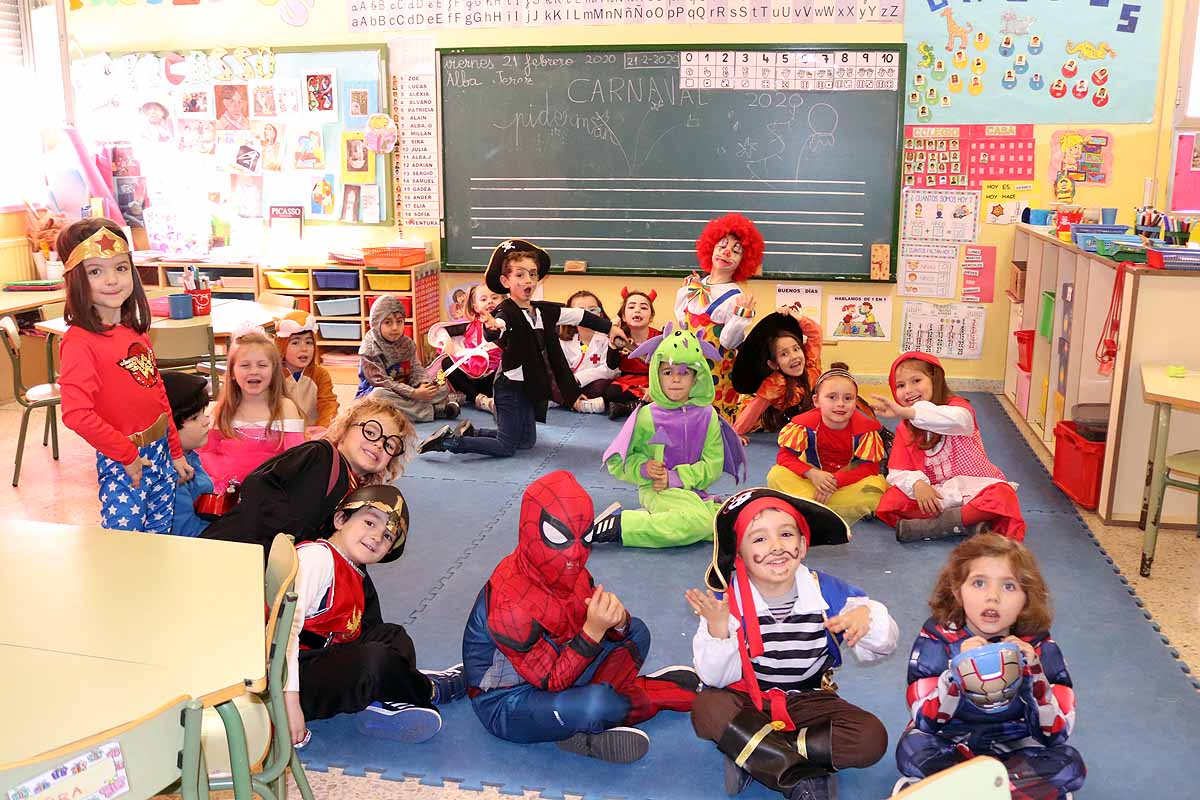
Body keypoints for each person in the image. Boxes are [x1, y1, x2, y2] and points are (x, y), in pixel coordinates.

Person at [462, 471, 700, 763]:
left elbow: (585, 631)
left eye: (584, 536)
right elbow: (551, 681)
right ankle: (637, 697)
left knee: (635, 631)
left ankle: (583, 722)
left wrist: (615, 620)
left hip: (563, 665)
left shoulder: (573, 573)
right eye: (559, 536)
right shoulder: (510, 602)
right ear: (532, 531)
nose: (576, 552)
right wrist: (591, 631)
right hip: (508, 703)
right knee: (598, 706)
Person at [687, 488, 897, 800]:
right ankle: (803, 777)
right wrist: (719, 629)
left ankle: (756, 754)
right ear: (739, 554)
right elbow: (715, 678)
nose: (775, 547)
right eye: (758, 539)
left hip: (808, 700)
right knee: (707, 708)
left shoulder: (826, 592)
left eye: (786, 534)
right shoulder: (727, 604)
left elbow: (884, 643)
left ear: (802, 544)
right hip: (749, 700)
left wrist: (868, 619)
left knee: (871, 738)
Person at [894, 534, 1085, 799]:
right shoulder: (937, 637)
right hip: (952, 743)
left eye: (1009, 586)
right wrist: (956, 673)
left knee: (1069, 763)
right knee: (912, 748)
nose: (992, 597)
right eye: (979, 583)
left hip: (1015, 746)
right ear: (957, 591)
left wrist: (1034, 672)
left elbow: (1057, 734)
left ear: (1026, 598)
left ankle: (960, 792)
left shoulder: (1040, 645)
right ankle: (1004, 792)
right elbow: (925, 721)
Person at [284, 485, 467, 746]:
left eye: (388, 536)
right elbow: (283, 631)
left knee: (392, 636)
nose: (376, 536)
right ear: (341, 519)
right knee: (375, 660)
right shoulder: (317, 558)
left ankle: (385, 702)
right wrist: (289, 703)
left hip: (316, 660)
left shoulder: (353, 572)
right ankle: (430, 690)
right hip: (283, 679)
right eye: (369, 522)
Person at [419, 239, 627, 457]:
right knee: (506, 447)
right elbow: (499, 327)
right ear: (505, 281)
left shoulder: (544, 311)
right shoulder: (505, 312)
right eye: (520, 275)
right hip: (508, 388)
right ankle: (450, 442)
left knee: (526, 442)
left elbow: (580, 315)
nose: (528, 281)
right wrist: (492, 328)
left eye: (533, 274)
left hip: (529, 388)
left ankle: (472, 432)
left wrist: (610, 328)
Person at [56, 219, 192, 533]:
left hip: (159, 450)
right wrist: (127, 455)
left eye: (120, 268)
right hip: (122, 459)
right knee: (125, 539)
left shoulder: (135, 333)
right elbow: (76, 414)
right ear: (76, 279)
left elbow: (158, 396)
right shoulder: (79, 343)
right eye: (95, 271)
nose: (112, 280)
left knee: (161, 532)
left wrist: (174, 451)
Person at [202, 396, 414, 557]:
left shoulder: (357, 491)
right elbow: (258, 484)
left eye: (389, 444)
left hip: (271, 563)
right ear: (345, 429)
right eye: (370, 432)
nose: (378, 444)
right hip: (235, 549)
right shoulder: (319, 455)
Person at [596, 326, 746, 549]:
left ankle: (653, 519)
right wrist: (644, 469)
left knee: (726, 526)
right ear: (656, 375)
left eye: (684, 372)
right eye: (668, 372)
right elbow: (619, 463)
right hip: (656, 489)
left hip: (695, 491)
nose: (676, 379)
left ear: (697, 377)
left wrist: (676, 477)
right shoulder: (646, 417)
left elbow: (713, 466)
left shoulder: (708, 416)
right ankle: (622, 525)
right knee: (704, 525)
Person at [870, 352, 1025, 543]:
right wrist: (917, 485)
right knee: (891, 501)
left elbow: (958, 420)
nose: (908, 390)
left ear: (935, 379)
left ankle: (936, 526)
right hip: (936, 495)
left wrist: (908, 412)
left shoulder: (958, 408)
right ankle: (968, 523)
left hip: (973, 490)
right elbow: (897, 470)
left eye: (916, 380)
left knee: (1002, 496)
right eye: (900, 386)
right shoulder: (906, 427)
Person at [766, 364, 889, 527]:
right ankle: (825, 506)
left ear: (856, 401)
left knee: (874, 490)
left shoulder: (865, 430)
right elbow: (784, 457)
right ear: (816, 400)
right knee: (776, 475)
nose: (840, 404)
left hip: (846, 482)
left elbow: (870, 468)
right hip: (813, 477)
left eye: (848, 398)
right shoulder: (804, 425)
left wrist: (835, 481)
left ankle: (808, 504)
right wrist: (812, 474)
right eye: (832, 397)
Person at [675, 214, 763, 419]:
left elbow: (728, 341)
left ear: (744, 261)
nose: (726, 252)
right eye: (722, 245)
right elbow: (682, 323)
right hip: (688, 368)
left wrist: (741, 319)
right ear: (710, 247)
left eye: (736, 251)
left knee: (712, 426)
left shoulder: (735, 297)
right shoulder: (693, 286)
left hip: (716, 376)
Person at [199, 327, 305, 492]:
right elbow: (206, 454)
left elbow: (297, 461)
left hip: (271, 493)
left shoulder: (285, 408)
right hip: (227, 494)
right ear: (232, 372)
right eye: (245, 365)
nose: (254, 371)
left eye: (262, 365)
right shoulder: (222, 410)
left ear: (274, 371)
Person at [357, 294, 459, 422]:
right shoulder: (370, 349)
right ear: (377, 324)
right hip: (383, 392)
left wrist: (424, 385)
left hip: (406, 390)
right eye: (388, 322)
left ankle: (412, 409)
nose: (395, 327)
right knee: (378, 397)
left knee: (441, 387)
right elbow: (381, 381)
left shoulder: (407, 343)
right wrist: (414, 393)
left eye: (399, 322)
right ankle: (432, 411)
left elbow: (416, 368)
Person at [730, 307, 823, 440]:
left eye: (796, 349)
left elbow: (816, 334)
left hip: (807, 413)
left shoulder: (810, 362)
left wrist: (798, 318)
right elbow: (754, 409)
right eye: (784, 354)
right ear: (774, 364)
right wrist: (737, 433)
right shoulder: (775, 384)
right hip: (776, 420)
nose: (794, 356)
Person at [428, 283, 501, 414]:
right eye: (484, 299)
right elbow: (441, 330)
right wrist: (447, 342)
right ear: (475, 306)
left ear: (503, 301)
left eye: (495, 298)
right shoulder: (469, 325)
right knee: (447, 362)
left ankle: (475, 397)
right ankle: (480, 400)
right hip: (472, 375)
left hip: (494, 377)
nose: (490, 301)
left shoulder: (505, 323)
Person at [162, 371, 214, 538]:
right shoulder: (172, 474)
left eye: (203, 413)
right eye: (194, 418)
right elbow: (186, 533)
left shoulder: (189, 455)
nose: (206, 420)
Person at [275, 310, 338, 436]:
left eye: (309, 342)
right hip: (284, 435)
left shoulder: (320, 375)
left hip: (315, 435)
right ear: (282, 346)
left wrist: (322, 429)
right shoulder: (274, 376)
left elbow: (328, 405)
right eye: (295, 342)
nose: (304, 348)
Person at [602, 287, 659, 420]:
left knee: (665, 393)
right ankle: (639, 405)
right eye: (631, 307)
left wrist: (654, 387)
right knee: (611, 392)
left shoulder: (659, 337)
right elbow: (612, 365)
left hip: (652, 379)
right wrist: (613, 339)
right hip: (627, 380)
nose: (637, 310)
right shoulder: (620, 336)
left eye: (644, 308)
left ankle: (628, 407)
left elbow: (665, 367)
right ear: (623, 316)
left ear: (651, 317)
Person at [558, 290, 619, 414]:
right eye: (581, 312)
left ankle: (569, 401)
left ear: (600, 314)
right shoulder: (564, 340)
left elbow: (608, 370)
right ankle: (575, 402)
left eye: (592, 310)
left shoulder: (608, 338)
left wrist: (579, 378)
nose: (588, 316)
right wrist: (569, 381)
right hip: (570, 384)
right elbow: (560, 367)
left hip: (592, 383)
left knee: (602, 387)